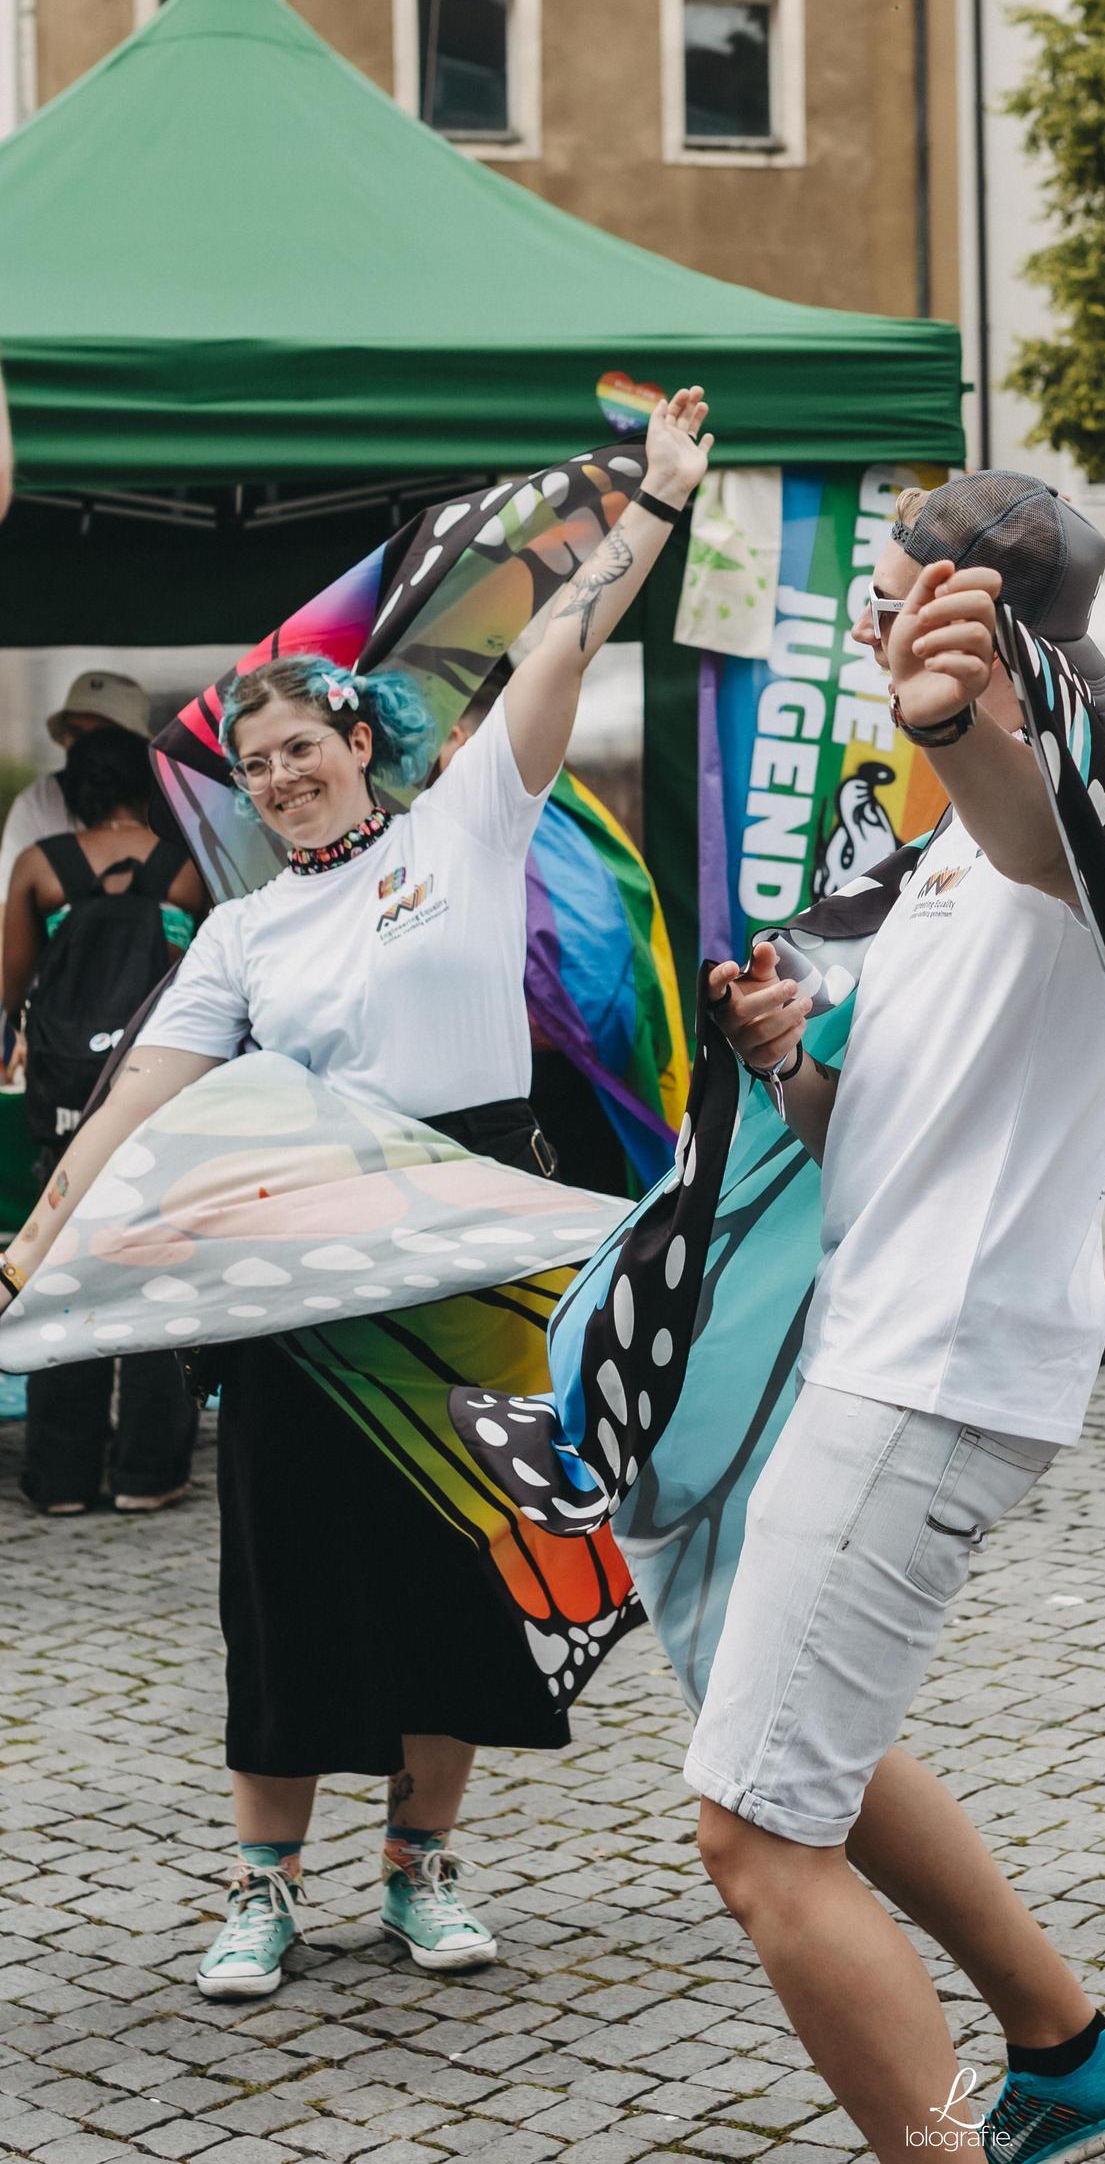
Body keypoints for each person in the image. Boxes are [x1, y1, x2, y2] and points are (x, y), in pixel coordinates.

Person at [0, 392, 712, 2003]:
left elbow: (561, 649)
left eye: (302, 750)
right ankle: (262, 1888)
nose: (281, 780)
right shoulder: (240, 937)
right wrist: (37, 1242)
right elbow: (140, 1097)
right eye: (255, 768)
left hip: (464, 1259)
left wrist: (653, 506)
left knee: (456, 1573)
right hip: (300, 1284)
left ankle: (421, 1868)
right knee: (287, 1577)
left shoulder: (467, 826)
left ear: (357, 743)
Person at [687, 480, 1105, 2164]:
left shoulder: (1085, 800)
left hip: (934, 1375)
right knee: (815, 1763)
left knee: (754, 1832)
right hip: (886, 1348)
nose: (873, 616)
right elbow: (858, 1134)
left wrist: (960, 707)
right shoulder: (927, 859)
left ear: (980, 614)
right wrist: (785, 1054)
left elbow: (1041, 828)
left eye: (894, 590)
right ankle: (1069, 2049)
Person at [2, 720, 204, 1515]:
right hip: (162, 1100)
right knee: (158, 1273)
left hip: (64, 1104)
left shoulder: (37, 868)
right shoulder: (185, 870)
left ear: (72, 788)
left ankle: (59, 1476)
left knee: (62, 1275)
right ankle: (149, 1473)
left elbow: (12, 986)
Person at [0, 671, 152, 911]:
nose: (86, 747)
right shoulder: (37, 802)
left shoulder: (167, 802)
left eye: (102, 736)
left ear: (134, 746)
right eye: (76, 733)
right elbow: (6, 913)